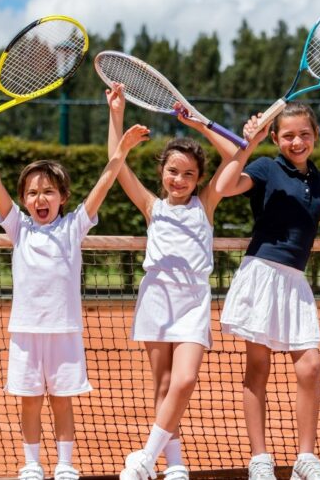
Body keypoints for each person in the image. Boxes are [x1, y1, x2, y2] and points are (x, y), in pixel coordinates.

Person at [0, 115, 148, 480]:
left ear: (63, 197)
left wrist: (122, 151)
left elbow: (103, 183)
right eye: (32, 193)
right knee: (30, 401)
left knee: (62, 401)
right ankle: (31, 464)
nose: (40, 198)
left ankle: (65, 464)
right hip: (25, 331)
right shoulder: (18, 227)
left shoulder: (74, 226)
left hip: (64, 331)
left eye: (48, 191)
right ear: (24, 201)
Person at [214, 103, 320, 480]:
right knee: (258, 368)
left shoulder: (318, 180)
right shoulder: (265, 167)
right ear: (277, 138)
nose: (296, 141)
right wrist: (248, 143)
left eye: (304, 134)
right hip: (261, 273)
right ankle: (260, 459)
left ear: (315, 136)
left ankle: (305, 458)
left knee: (310, 366)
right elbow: (224, 186)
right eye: (288, 135)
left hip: (295, 281)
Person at [106, 83, 239, 480]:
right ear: (161, 171)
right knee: (163, 384)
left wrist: (198, 124)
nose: (179, 179)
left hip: (193, 301)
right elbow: (117, 167)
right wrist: (116, 115)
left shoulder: (207, 203)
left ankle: (145, 457)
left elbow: (235, 154)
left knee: (185, 379)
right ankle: (174, 463)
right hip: (156, 299)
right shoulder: (152, 206)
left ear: (199, 178)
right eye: (172, 171)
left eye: (188, 174)